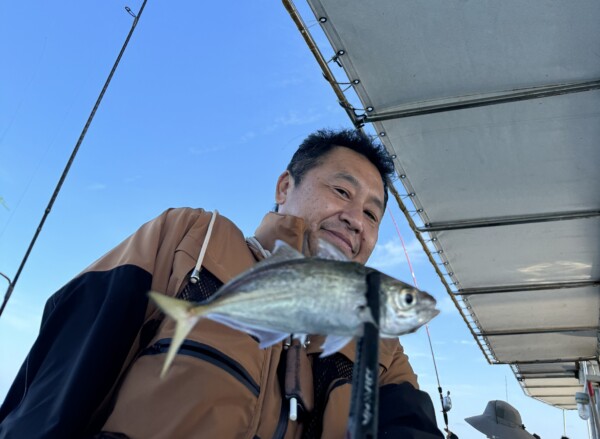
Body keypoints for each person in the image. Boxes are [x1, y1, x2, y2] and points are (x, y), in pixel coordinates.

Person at [0, 129, 444, 438]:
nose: (355, 219)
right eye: (343, 192)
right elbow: (61, 379)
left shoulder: (383, 347)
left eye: (372, 213)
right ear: (285, 186)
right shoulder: (193, 236)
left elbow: (411, 428)